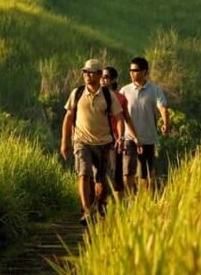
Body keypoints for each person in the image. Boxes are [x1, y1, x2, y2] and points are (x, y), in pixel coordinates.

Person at [60, 59, 142, 223]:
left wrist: (119, 136)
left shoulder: (108, 95)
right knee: (83, 174)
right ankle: (86, 210)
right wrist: (64, 142)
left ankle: (98, 206)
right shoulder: (77, 93)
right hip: (81, 141)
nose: (87, 75)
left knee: (102, 182)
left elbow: (120, 118)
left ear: (98, 74)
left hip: (104, 143)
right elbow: (68, 117)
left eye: (90, 72)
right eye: (84, 72)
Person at [120, 57, 170, 193]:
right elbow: (118, 114)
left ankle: (143, 201)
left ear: (144, 71)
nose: (132, 73)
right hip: (129, 137)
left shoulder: (154, 90)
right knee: (127, 172)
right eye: (130, 70)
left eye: (135, 70)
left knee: (145, 174)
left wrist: (166, 123)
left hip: (148, 138)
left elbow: (163, 108)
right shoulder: (124, 91)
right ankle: (130, 199)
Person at [100, 66, 137, 194]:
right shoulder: (94, 96)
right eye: (101, 77)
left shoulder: (120, 98)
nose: (102, 80)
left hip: (114, 140)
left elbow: (125, 119)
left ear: (113, 79)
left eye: (106, 77)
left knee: (115, 173)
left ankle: (117, 206)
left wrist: (132, 137)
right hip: (96, 139)